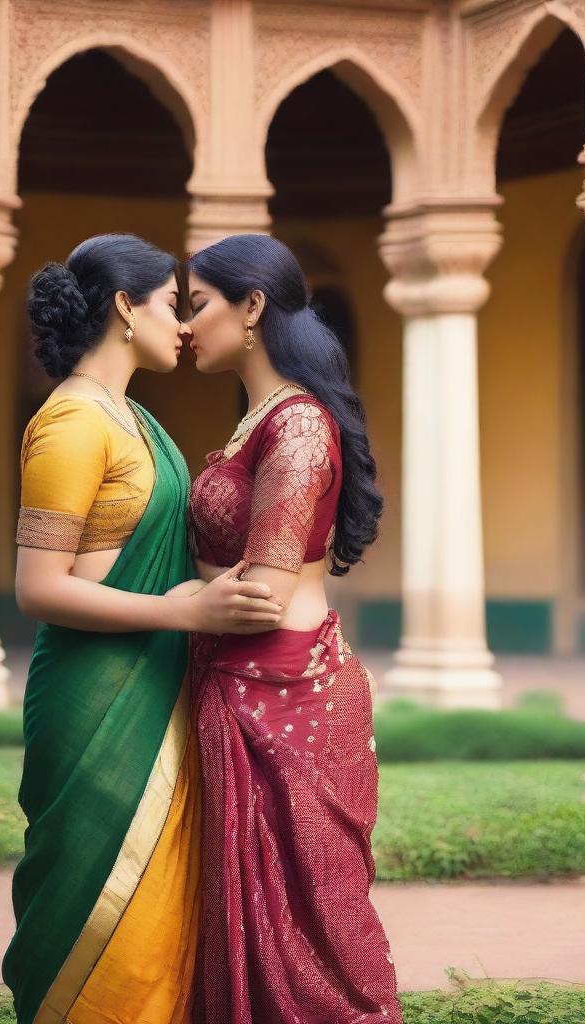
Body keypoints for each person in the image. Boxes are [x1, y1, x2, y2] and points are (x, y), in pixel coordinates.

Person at [1, 233, 284, 1024]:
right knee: (92, 904)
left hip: (158, 686)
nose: (186, 324)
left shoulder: (135, 420)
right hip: (92, 702)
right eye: (171, 302)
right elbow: (38, 587)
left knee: (160, 913)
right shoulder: (71, 423)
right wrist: (179, 610)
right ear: (125, 307)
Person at [183, 234, 403, 1023]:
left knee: (316, 947)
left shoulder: (299, 428)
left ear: (251, 308)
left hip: (287, 698)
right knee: (248, 924)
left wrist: (157, 595)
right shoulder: (260, 422)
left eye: (197, 304)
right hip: (244, 687)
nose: (183, 325)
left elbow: (264, 592)